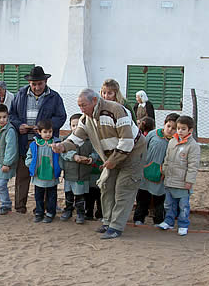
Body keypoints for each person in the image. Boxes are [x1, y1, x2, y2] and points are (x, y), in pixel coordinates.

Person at [52, 89, 147, 240]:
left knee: (124, 188)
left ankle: (116, 227)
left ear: (94, 101)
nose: (81, 109)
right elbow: (77, 138)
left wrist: (113, 161)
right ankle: (108, 221)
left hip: (132, 153)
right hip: (111, 155)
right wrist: (62, 146)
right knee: (107, 186)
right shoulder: (86, 119)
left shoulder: (116, 110)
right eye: (79, 106)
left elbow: (127, 141)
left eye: (84, 105)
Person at [9, 66, 66, 214]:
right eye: (34, 84)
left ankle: (44, 207)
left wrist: (43, 128)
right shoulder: (20, 95)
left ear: (45, 81)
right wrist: (18, 125)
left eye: (40, 83)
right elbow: (11, 115)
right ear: (29, 82)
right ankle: (20, 206)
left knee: (45, 173)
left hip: (45, 143)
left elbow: (61, 117)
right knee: (22, 174)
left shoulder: (55, 97)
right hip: (25, 141)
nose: (37, 87)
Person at [157, 116, 201, 236]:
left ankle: (183, 224)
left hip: (182, 182)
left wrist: (189, 181)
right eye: (178, 128)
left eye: (183, 129)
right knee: (169, 204)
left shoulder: (193, 146)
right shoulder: (172, 141)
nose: (180, 131)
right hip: (170, 180)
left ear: (190, 130)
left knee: (183, 206)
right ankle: (169, 221)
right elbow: (167, 159)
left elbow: (193, 165)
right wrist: (164, 172)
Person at [134, 112, 179, 226]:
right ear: (164, 124)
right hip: (146, 170)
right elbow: (144, 148)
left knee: (160, 199)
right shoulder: (153, 134)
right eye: (168, 126)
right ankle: (139, 218)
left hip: (162, 174)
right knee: (143, 197)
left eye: (174, 128)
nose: (170, 130)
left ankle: (158, 220)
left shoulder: (175, 142)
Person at [59, 113, 97, 224]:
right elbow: (63, 153)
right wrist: (74, 156)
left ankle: (81, 213)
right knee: (68, 194)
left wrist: (90, 159)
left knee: (80, 196)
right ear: (70, 126)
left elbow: (96, 152)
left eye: (78, 126)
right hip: (70, 173)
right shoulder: (66, 140)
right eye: (73, 125)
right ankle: (68, 210)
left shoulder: (90, 141)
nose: (75, 128)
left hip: (83, 174)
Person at [25, 119, 61, 223]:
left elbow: (60, 158)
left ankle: (50, 213)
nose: (48, 134)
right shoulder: (34, 144)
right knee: (38, 196)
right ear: (39, 132)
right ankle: (39, 213)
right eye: (45, 132)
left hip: (52, 175)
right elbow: (29, 157)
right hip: (38, 175)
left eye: (50, 131)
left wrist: (59, 167)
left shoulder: (56, 144)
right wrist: (31, 165)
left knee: (52, 196)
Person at [0, 104, 19, 215]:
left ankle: (6, 204)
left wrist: (7, 163)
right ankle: (4, 203)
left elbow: (11, 148)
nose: (2, 120)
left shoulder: (9, 130)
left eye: (4, 117)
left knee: (1, 184)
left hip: (4, 163)